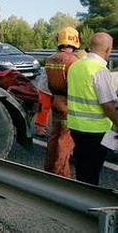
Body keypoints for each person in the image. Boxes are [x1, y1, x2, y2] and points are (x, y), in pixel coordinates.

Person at [67, 32, 118, 185]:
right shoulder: (100, 71)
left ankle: (81, 197)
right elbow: (108, 105)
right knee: (92, 172)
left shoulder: (76, 66)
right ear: (108, 49)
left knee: (83, 168)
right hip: (96, 131)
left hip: (75, 126)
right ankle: (88, 203)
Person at [43, 27, 80, 178]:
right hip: (68, 104)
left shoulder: (50, 59)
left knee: (54, 137)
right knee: (65, 142)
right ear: (75, 41)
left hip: (56, 101)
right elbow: (76, 85)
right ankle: (61, 175)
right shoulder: (74, 61)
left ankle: (49, 170)